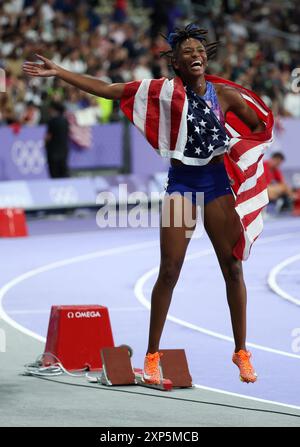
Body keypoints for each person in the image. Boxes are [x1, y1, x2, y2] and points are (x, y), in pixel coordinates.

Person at [23, 23, 272, 384]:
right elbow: (108, 91)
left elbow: (257, 128)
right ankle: (152, 355)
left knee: (232, 269)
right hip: (182, 185)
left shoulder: (225, 95)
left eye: (200, 51)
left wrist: (239, 151)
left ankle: (241, 352)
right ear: (176, 62)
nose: (196, 55)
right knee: (169, 270)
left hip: (217, 185)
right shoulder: (160, 92)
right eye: (187, 53)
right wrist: (59, 71)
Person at [45, 101, 70, 179]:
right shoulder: (65, 121)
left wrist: (45, 144)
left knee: (55, 174)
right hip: (64, 151)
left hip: (53, 152)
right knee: (64, 173)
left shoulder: (52, 121)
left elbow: (48, 137)